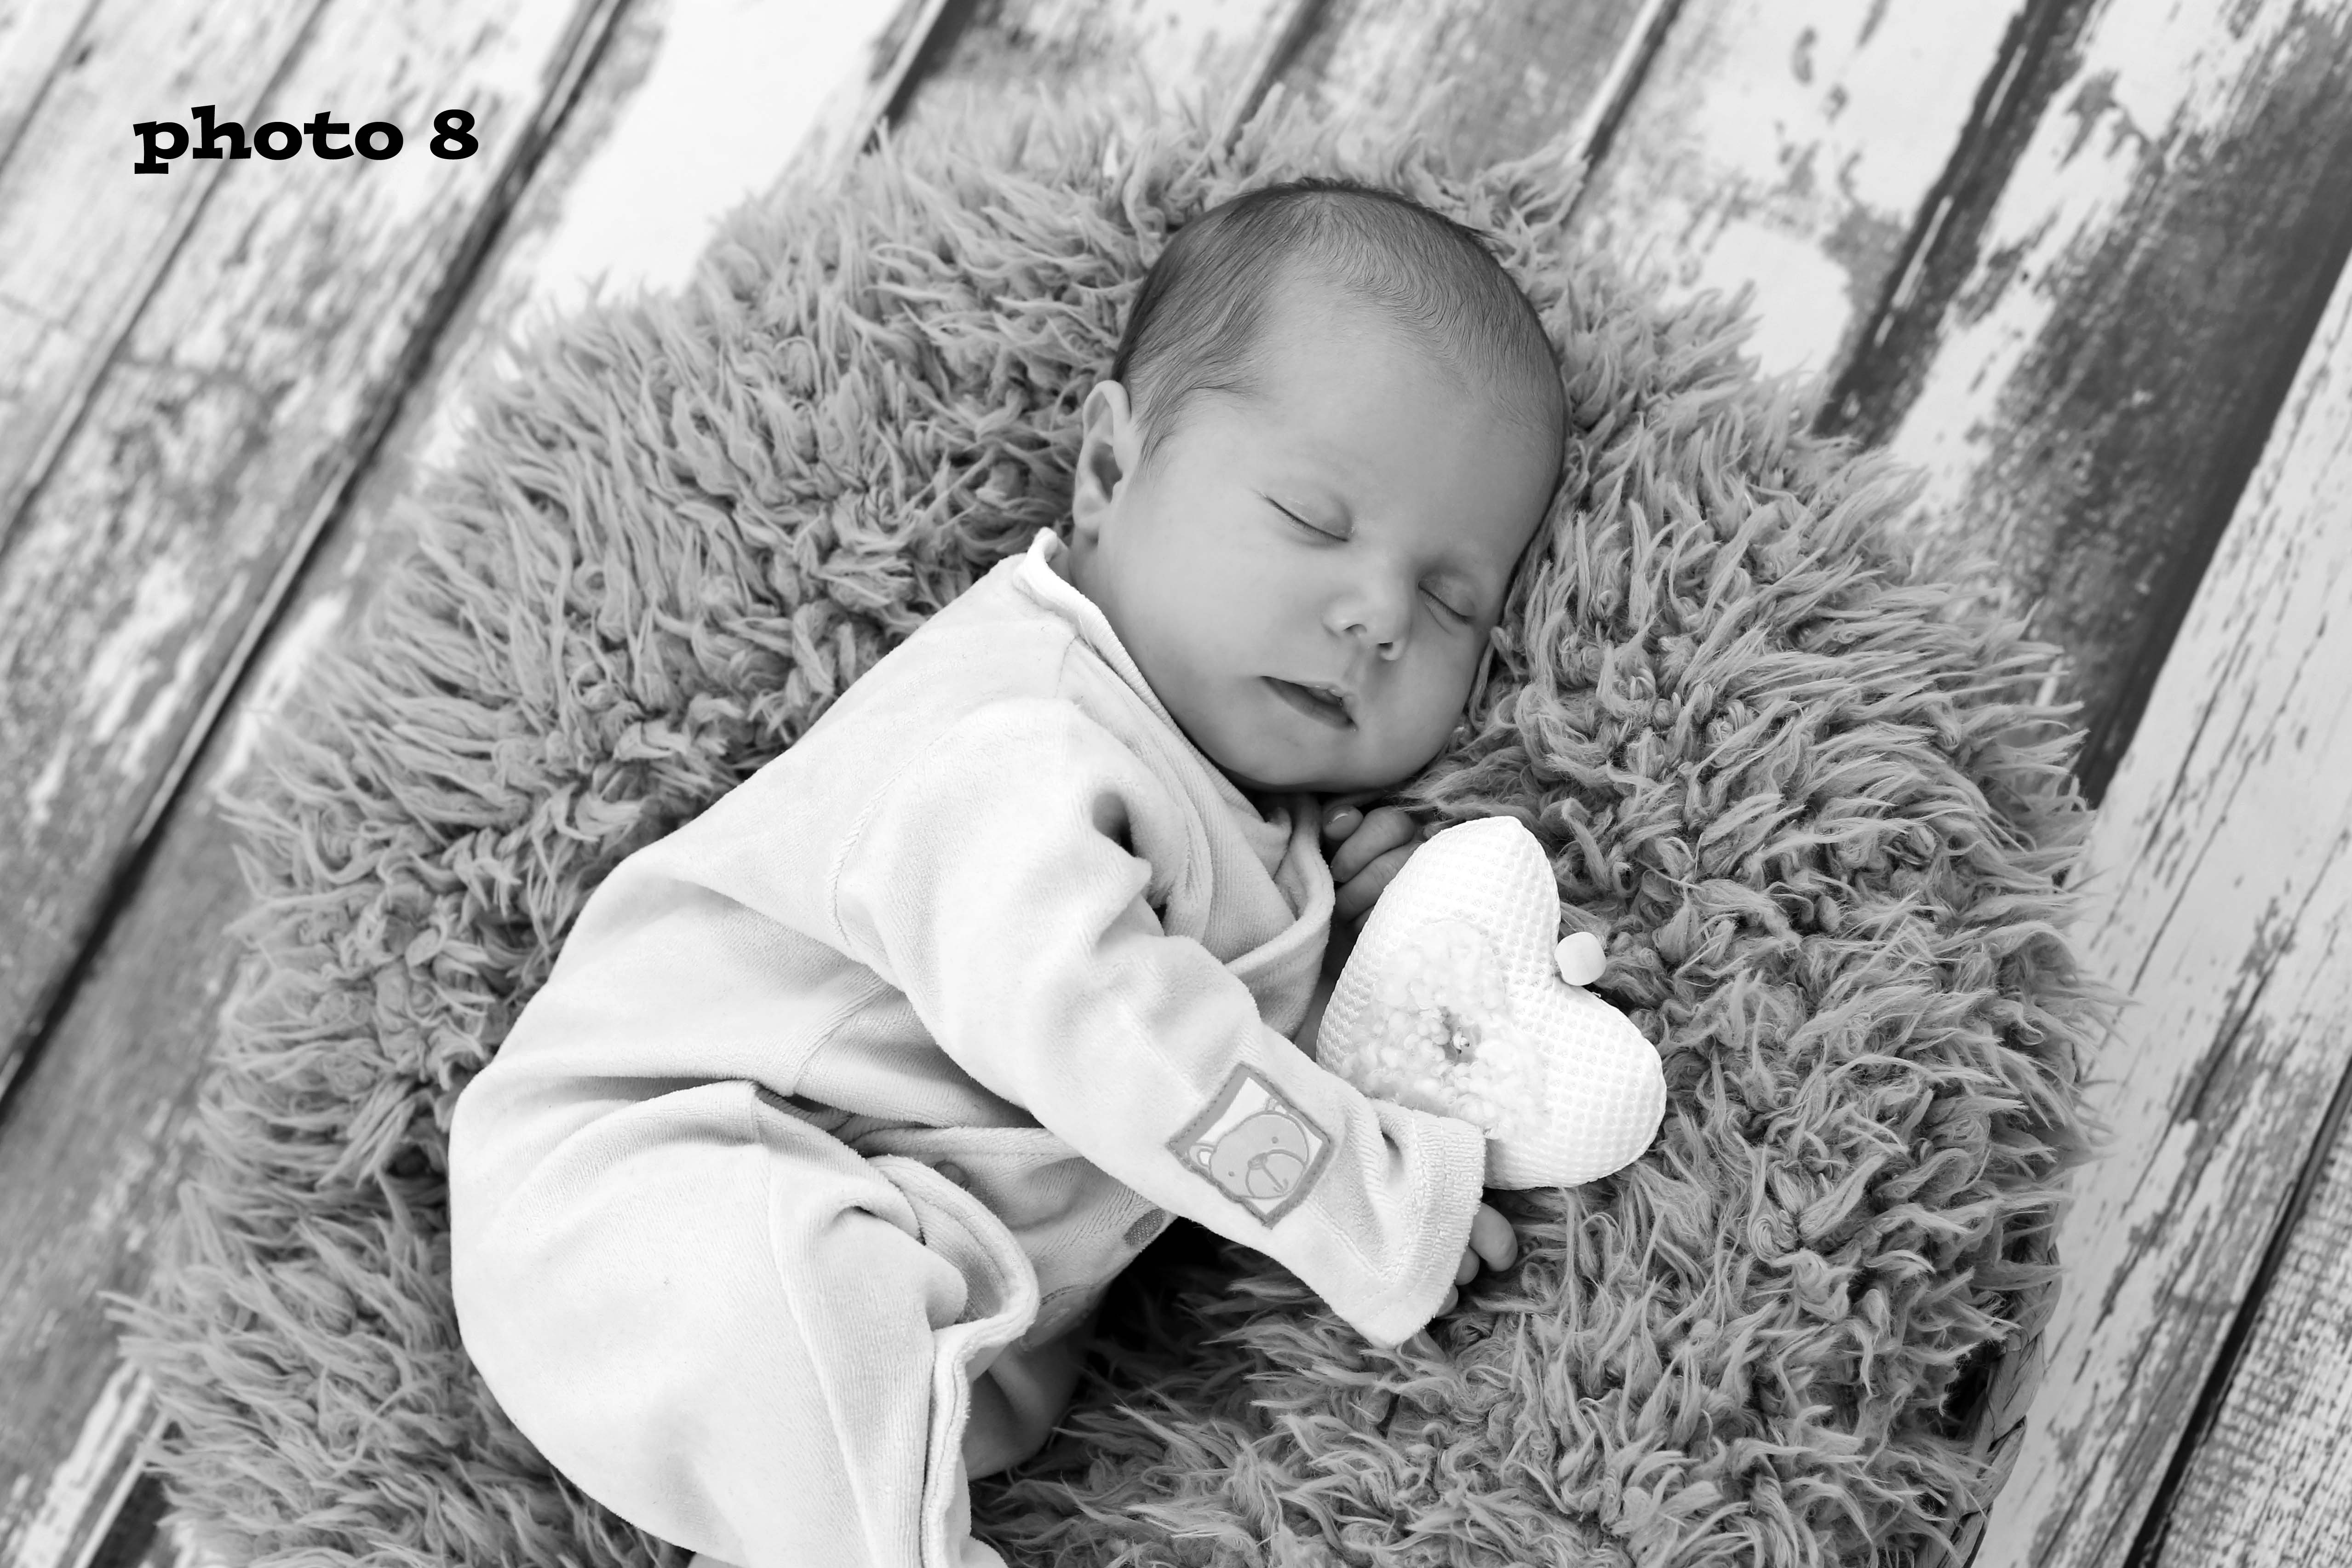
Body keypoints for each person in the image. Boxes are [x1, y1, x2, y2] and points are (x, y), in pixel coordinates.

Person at [447, 177, 1570, 1568]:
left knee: (858, 1365)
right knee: (795, 1305)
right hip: (647, 1189)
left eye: (1452, 600)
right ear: (1109, 471)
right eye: (1310, 516)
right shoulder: (1019, 730)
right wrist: (1369, 1203)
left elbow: (1193, 1048)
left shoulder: (1255, 816)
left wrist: (1345, 959)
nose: (1378, 614)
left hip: (923, 1286)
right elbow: (1117, 1033)